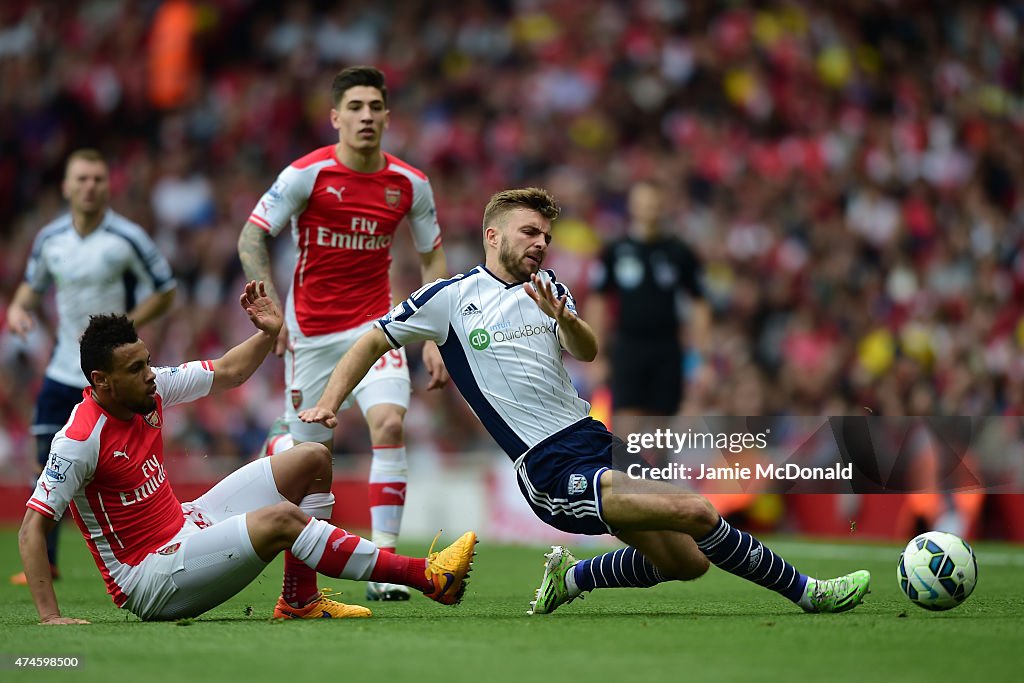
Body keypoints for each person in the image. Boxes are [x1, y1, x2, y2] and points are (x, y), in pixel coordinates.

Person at [299, 188, 871, 617]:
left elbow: (590, 350)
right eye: (530, 233)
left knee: (687, 562)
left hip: (593, 438)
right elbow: (373, 337)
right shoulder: (450, 298)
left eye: (546, 236)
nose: (541, 244)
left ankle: (573, 580)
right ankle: (808, 593)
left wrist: (563, 318)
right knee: (696, 511)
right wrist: (330, 402)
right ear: (494, 236)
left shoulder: (550, 289)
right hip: (549, 466)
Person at [17, 281, 476, 624]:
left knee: (312, 457)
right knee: (281, 519)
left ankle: (300, 601)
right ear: (101, 381)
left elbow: (230, 371)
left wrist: (267, 334)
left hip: (187, 522)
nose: (150, 374)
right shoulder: (78, 440)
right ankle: (426, 576)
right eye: (136, 369)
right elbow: (32, 528)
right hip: (150, 578)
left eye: (146, 361)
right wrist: (50, 617)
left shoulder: (148, 389)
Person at [237, 65, 449, 602]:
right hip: (310, 334)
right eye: (355, 107)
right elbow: (252, 234)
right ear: (335, 117)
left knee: (388, 422)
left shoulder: (409, 184)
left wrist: (433, 335)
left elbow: (433, 259)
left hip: (377, 328)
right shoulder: (305, 175)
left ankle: (384, 562)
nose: (366, 117)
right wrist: (267, 300)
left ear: (386, 116)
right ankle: (280, 449)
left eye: (375, 107)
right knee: (312, 459)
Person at [7, 148, 177, 585]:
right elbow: (31, 285)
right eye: (81, 179)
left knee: (116, 454)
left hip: (110, 378)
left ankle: (141, 538)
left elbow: (166, 289)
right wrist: (17, 310)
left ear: (108, 186)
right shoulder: (50, 240)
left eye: (98, 179)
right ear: (66, 186)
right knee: (46, 459)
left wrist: (123, 336)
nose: (89, 186)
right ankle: (46, 561)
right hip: (63, 367)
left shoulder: (127, 238)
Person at [587, 179, 711, 417]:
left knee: (661, 428)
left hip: (667, 349)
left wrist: (703, 359)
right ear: (632, 206)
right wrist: (596, 356)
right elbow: (598, 300)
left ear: (662, 206)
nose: (648, 209)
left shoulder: (680, 252)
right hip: (627, 347)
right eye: (642, 203)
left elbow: (700, 302)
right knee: (627, 422)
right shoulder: (614, 251)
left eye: (653, 204)